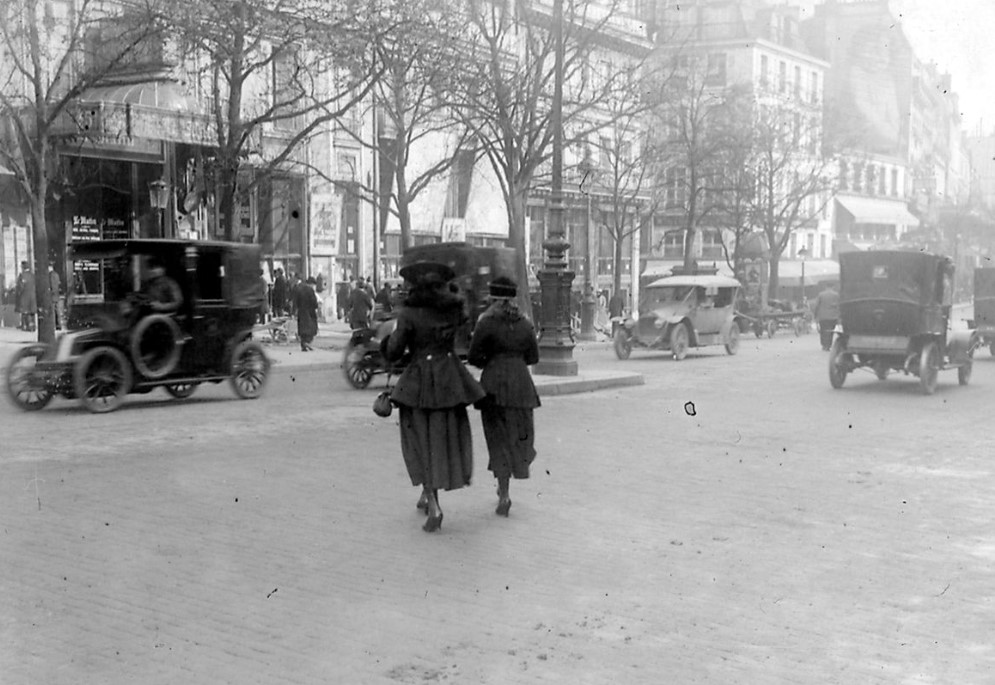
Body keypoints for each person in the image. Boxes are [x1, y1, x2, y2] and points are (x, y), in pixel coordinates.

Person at [384, 260, 485, 533]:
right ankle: (430, 497)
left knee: (420, 441)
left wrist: (390, 343)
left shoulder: (409, 313)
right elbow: (463, 332)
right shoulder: (453, 309)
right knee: (443, 441)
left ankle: (433, 504)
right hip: (450, 379)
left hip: (418, 383)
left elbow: (394, 351)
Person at [467, 276, 540, 517]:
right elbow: (533, 357)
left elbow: (474, 357)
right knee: (517, 437)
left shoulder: (486, 322)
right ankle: (507, 485)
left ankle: (504, 492)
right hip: (521, 386)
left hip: (494, 386)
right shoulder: (525, 323)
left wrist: (491, 360)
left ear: (493, 298)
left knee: (497, 440)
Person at [812, 282, 840, 351]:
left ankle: (824, 345)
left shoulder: (821, 295)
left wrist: (815, 315)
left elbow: (816, 305)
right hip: (833, 316)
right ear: (833, 287)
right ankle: (828, 345)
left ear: (826, 287)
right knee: (830, 332)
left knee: (823, 331)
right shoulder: (836, 295)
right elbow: (839, 305)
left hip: (823, 316)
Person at [295, 276, 319, 351]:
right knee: (311, 329)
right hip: (310, 312)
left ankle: (303, 344)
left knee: (302, 329)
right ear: (311, 284)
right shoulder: (310, 290)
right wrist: (316, 306)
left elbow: (296, 301)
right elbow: (314, 302)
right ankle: (307, 343)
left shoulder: (299, 289)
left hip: (301, 312)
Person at [15, 261, 37, 331]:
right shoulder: (33, 275)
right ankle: (32, 325)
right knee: (31, 311)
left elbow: (20, 287)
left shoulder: (22, 275)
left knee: (24, 311)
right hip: (32, 296)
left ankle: (24, 325)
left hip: (24, 296)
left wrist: (18, 293)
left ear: (23, 267)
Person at [48, 264, 63, 330]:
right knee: (57, 311)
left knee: (52, 312)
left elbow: (52, 285)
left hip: (52, 295)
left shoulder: (50, 275)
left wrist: (50, 292)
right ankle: (59, 325)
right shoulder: (56, 274)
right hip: (57, 295)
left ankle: (53, 325)